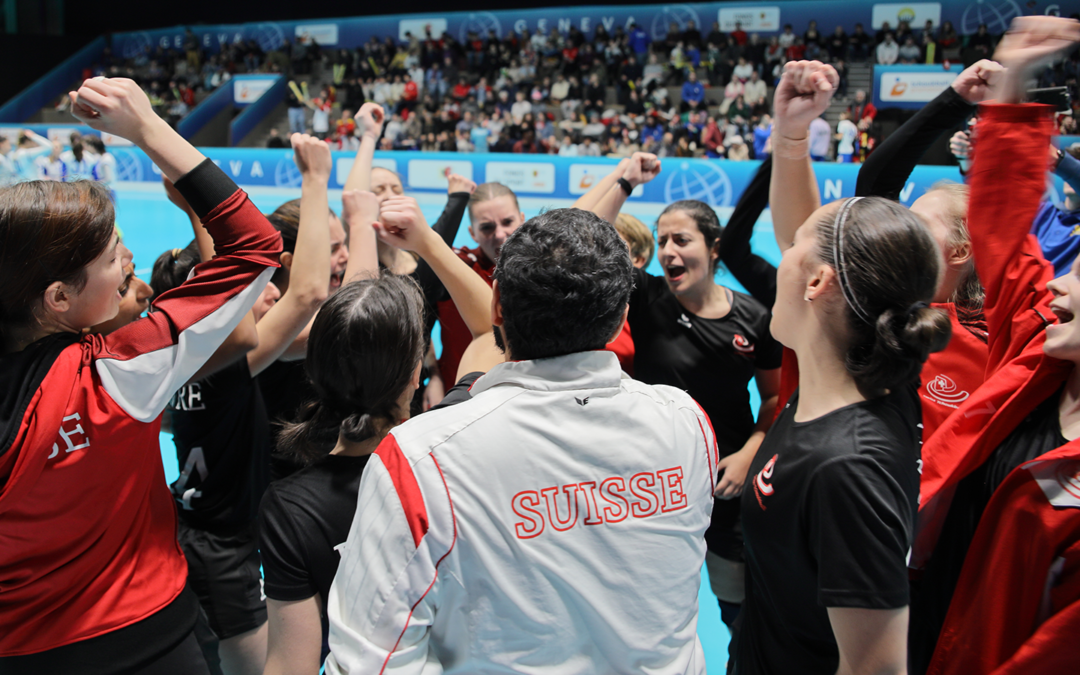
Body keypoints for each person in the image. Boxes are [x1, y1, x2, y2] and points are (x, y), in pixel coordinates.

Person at [324, 198, 717, 675]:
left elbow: (371, 659)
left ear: (497, 308)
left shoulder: (422, 456)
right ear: (620, 318)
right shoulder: (688, 422)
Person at [0, 77, 281, 674]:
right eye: (111, 259)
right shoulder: (114, 373)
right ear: (57, 297)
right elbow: (255, 247)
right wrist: (147, 127)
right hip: (149, 637)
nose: (127, 259)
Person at [736, 59, 951, 675]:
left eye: (792, 251)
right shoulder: (862, 375)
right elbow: (810, 241)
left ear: (820, 282)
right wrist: (792, 136)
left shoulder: (846, 469)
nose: (780, 257)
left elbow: (875, 669)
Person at [260, 194, 502, 675]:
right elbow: (492, 332)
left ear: (317, 370)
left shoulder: (289, 506)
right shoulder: (449, 455)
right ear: (416, 374)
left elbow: (291, 665)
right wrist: (429, 243)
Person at [905, 18, 1080, 674]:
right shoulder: (1035, 361)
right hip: (931, 613)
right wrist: (1011, 86)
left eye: (1079, 276)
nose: (1059, 287)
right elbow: (1006, 234)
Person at [150, 135, 335, 675]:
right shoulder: (228, 367)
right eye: (257, 286)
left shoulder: (173, 365)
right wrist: (316, 180)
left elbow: (219, 295)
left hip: (192, 530)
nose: (270, 287)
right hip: (221, 551)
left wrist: (195, 213)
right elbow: (306, 293)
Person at [583, 154, 782, 648]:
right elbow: (582, 233)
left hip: (726, 485)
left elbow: (777, 397)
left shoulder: (756, 319)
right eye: (663, 239)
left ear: (714, 248)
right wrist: (626, 179)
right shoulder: (647, 298)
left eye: (682, 239)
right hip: (652, 482)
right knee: (640, 608)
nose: (669, 250)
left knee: (738, 609)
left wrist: (750, 452)